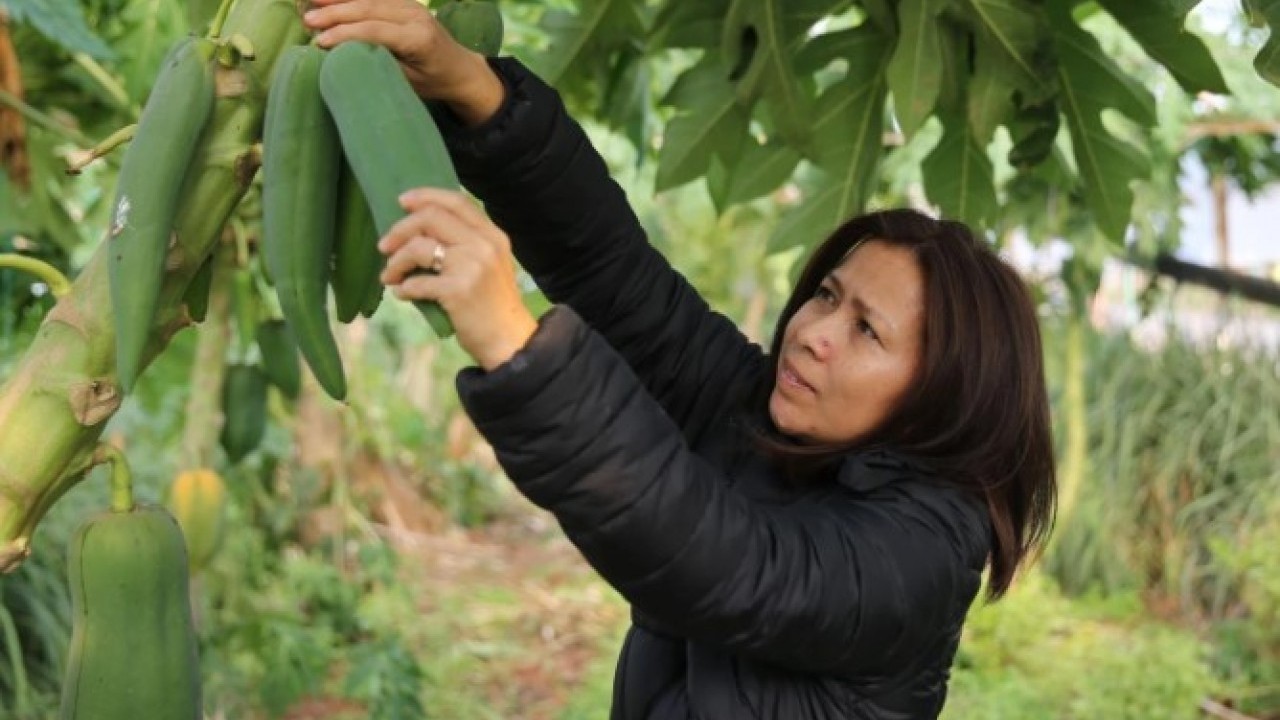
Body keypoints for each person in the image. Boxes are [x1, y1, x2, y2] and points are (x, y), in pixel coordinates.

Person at [305, 2, 1058, 717]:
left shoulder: (917, 560)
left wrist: (514, 337)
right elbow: (621, 282)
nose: (813, 332)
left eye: (867, 331)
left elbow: (725, 563)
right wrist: (476, 89)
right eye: (827, 295)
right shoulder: (773, 427)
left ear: (943, 394)